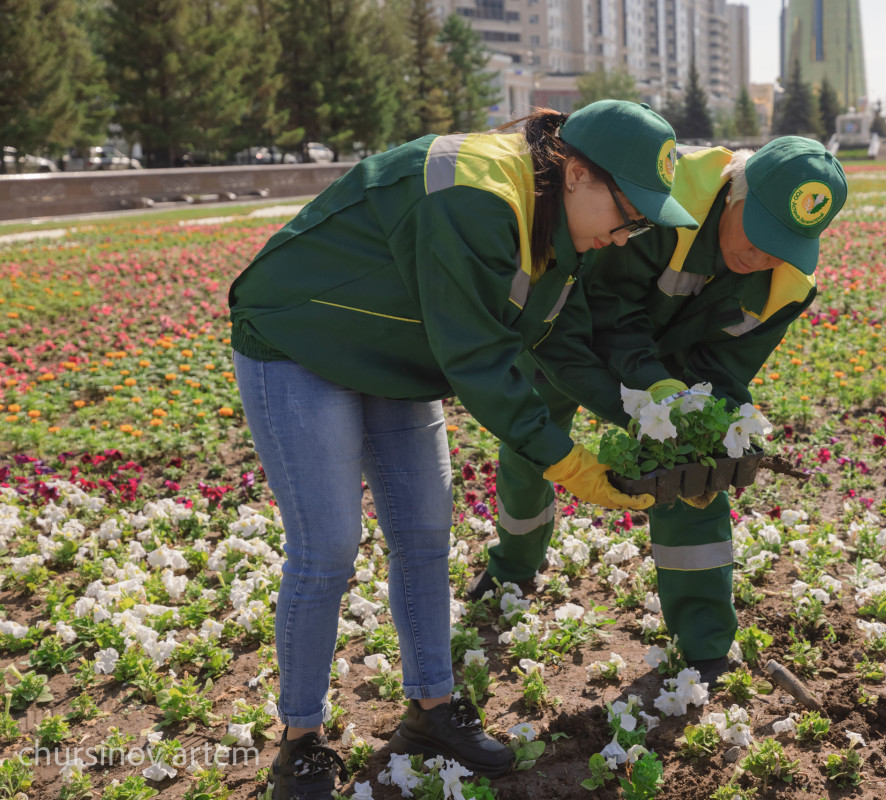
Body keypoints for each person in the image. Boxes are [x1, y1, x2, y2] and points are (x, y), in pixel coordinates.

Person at [227, 99, 698, 800]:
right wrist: (571, 467)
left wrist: (648, 423)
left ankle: (431, 710)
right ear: (576, 175)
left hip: (395, 354)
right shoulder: (476, 197)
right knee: (327, 546)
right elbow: (481, 359)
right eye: (628, 214)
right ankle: (299, 741)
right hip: (301, 341)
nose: (629, 235)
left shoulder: (560, 230)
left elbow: (555, 342)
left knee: (423, 536)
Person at [468, 136, 847, 685]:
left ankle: (706, 646)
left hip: (667, 367)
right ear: (734, 191)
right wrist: (656, 386)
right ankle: (511, 569)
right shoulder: (666, 205)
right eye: (759, 233)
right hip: (569, 334)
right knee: (534, 443)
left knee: (697, 472)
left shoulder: (783, 287)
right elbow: (609, 310)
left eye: (783, 245)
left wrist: (727, 423)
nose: (761, 256)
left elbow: (728, 368)